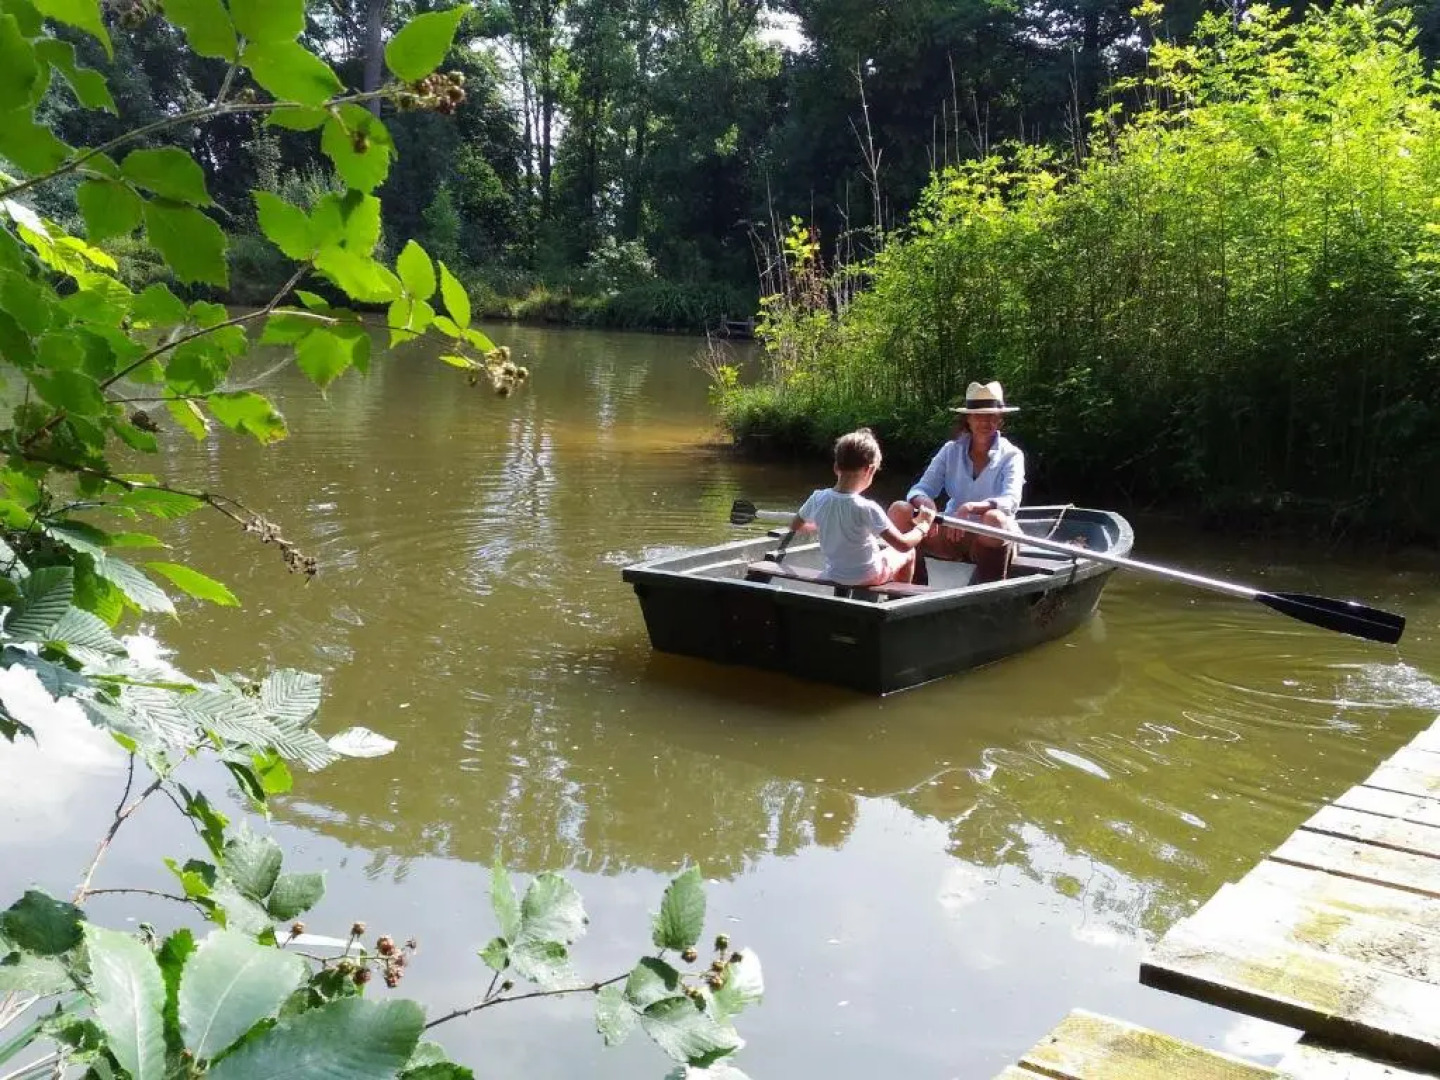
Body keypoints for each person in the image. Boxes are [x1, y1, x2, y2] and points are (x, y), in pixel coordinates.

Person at [888, 380, 1025, 585]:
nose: (985, 422)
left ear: (1000, 420)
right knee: (899, 510)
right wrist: (927, 505)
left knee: (994, 518)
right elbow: (920, 489)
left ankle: (990, 596)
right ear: (968, 419)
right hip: (953, 531)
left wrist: (971, 507)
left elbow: (1011, 501)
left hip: (992, 536)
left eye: (992, 416)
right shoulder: (950, 450)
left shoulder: (1012, 455)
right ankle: (913, 587)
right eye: (979, 416)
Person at [788, 428, 936, 587]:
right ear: (869, 470)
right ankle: (899, 597)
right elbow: (903, 545)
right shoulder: (867, 508)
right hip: (868, 576)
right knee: (909, 553)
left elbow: (796, 525)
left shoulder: (817, 498)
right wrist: (923, 525)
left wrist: (822, 524)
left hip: (834, 574)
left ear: (836, 467)